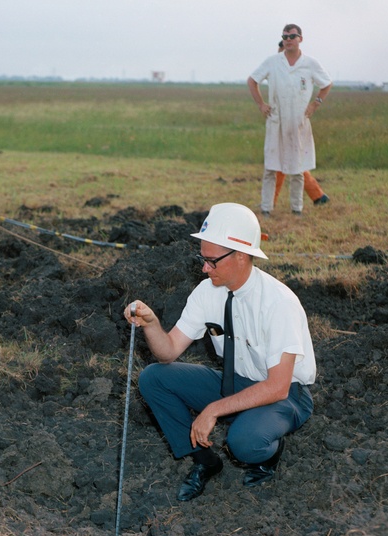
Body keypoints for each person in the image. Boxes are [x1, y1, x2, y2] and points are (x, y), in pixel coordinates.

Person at [124, 203, 315, 501]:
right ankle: (205, 462)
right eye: (203, 259)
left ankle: (268, 452)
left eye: (212, 261)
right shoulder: (206, 292)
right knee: (154, 378)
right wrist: (151, 325)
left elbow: (277, 386)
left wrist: (212, 410)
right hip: (236, 383)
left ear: (241, 255)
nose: (204, 268)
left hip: (286, 393)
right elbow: (168, 352)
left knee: (244, 442)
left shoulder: (278, 303)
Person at [247, 24, 332, 215]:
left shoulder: (310, 63)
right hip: (276, 121)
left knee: (298, 169)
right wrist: (261, 104)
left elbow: (326, 84)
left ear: (300, 38)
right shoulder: (272, 62)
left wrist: (315, 104)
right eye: (285, 37)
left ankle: (297, 210)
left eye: (292, 36)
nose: (288, 40)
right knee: (271, 167)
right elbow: (252, 80)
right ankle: (266, 209)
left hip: (298, 122)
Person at [272, 39, 330, 207]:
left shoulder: (300, 70)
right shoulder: (279, 68)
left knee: (281, 163)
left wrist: (314, 104)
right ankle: (318, 196)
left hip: (293, 123)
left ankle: (270, 202)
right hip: (283, 122)